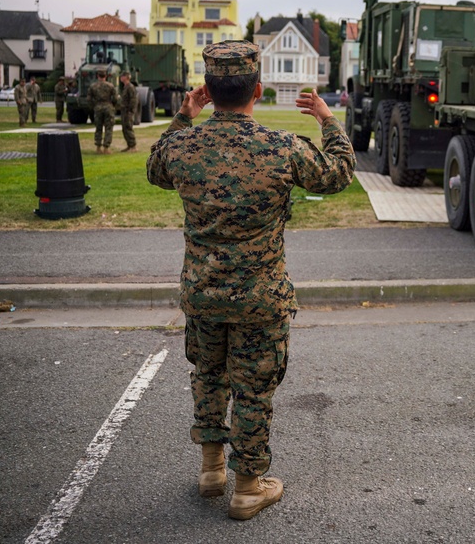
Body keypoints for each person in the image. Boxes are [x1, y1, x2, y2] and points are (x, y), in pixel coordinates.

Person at [146, 41, 354, 521]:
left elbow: (155, 168)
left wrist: (183, 116)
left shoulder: (182, 145)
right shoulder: (282, 148)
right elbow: (340, 172)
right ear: (257, 90)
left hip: (202, 293)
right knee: (254, 391)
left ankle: (211, 470)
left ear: (208, 90)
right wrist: (326, 118)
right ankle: (246, 488)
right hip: (260, 298)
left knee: (208, 377)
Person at [89, 70, 119, 154]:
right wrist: (112, 105)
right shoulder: (110, 86)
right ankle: (106, 147)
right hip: (108, 107)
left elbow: (89, 99)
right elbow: (115, 98)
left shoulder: (93, 86)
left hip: (98, 107)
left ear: (98, 76)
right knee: (108, 128)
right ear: (105, 76)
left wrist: (94, 106)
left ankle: (98, 147)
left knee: (98, 127)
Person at [119, 72, 139, 152]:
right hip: (124, 111)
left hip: (128, 111)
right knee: (124, 129)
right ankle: (129, 145)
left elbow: (133, 100)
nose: (121, 78)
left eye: (122, 76)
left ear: (126, 77)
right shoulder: (125, 87)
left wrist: (130, 110)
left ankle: (133, 146)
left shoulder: (130, 87)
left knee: (128, 127)